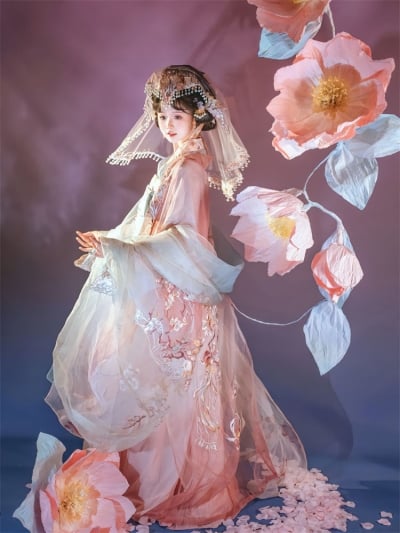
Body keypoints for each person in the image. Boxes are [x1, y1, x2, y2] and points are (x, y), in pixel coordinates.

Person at [45, 65, 306, 529]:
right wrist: (113, 241)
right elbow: (147, 224)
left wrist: (121, 249)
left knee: (173, 386)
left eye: (178, 116)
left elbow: (186, 239)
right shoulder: (176, 164)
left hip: (179, 294)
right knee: (159, 381)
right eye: (162, 115)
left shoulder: (187, 169)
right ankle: (154, 477)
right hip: (165, 287)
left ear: (200, 119)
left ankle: (173, 483)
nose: (167, 124)